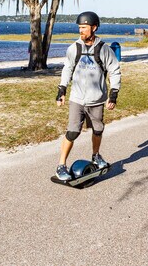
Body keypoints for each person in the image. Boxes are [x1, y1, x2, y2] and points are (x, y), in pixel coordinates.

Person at [54, 11, 121, 181]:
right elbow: (67, 69)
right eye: (79, 28)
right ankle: (61, 165)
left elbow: (114, 70)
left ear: (94, 28)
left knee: (98, 129)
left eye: (84, 27)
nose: (81, 31)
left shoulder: (104, 49)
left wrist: (113, 94)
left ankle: (96, 156)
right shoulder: (74, 48)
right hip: (77, 98)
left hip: (97, 99)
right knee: (72, 132)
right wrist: (61, 90)